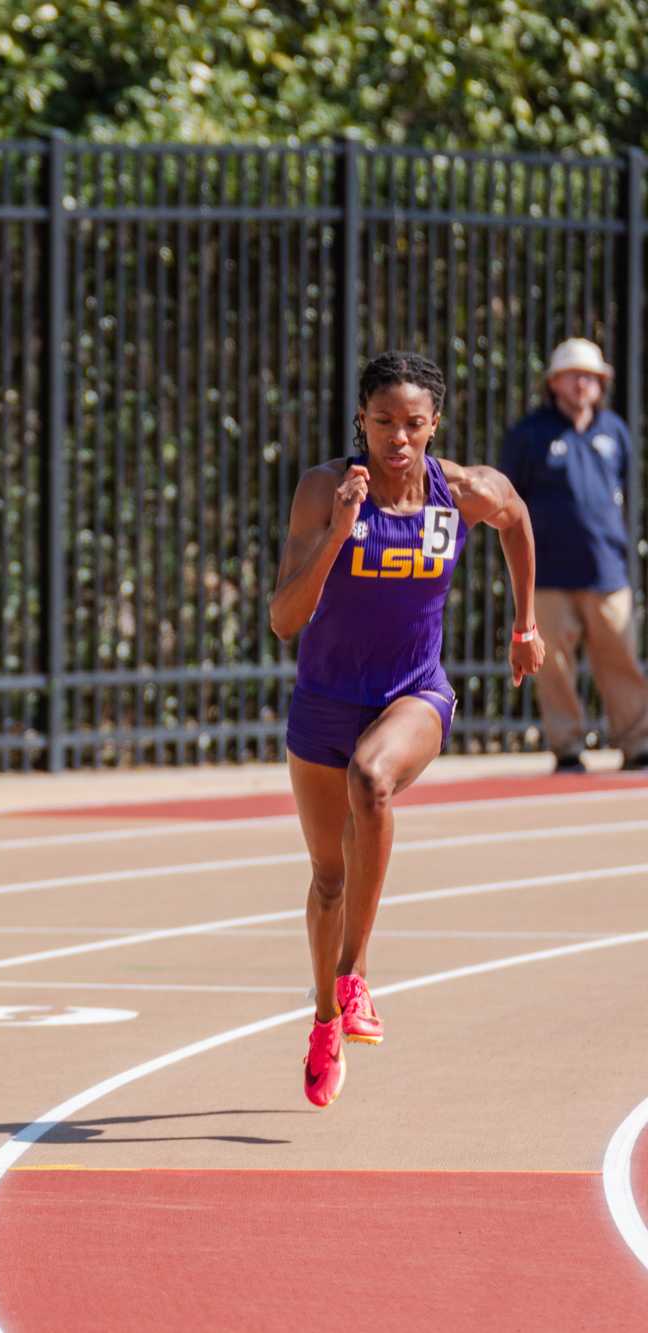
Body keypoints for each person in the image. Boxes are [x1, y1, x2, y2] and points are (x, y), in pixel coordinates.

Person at [269, 351, 542, 1109]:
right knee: (328, 876)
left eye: (413, 424)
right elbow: (284, 619)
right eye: (383, 421)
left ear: (434, 425)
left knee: (373, 777)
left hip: (413, 692)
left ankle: (354, 977)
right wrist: (339, 533)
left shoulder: (460, 490)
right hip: (324, 699)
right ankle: (325, 1018)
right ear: (361, 419)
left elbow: (516, 513)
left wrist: (526, 624)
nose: (398, 438)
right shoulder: (325, 489)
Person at [499, 337, 648, 772]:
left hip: (607, 569)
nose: (583, 383)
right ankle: (567, 748)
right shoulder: (529, 434)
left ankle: (637, 743)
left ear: (602, 383)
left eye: (591, 376)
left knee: (620, 659)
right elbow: (509, 501)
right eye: (574, 375)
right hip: (546, 572)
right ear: (554, 382)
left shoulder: (615, 431)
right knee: (554, 666)